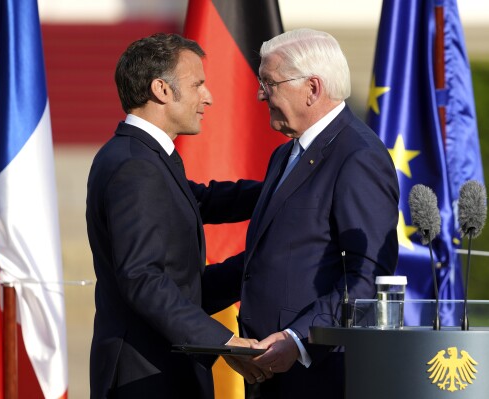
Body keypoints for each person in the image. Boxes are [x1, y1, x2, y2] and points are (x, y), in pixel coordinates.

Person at [86, 33, 263, 399]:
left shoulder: (144, 156)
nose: (208, 96)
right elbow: (142, 277)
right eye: (197, 84)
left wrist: (282, 190)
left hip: (159, 368)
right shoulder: (135, 165)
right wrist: (225, 341)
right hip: (147, 376)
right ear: (161, 89)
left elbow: (203, 201)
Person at [237, 28, 400, 398]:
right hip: (268, 369)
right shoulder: (286, 153)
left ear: (312, 88)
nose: (260, 94)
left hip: (318, 373)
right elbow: (270, 259)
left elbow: (367, 278)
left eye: (269, 82)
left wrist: (298, 339)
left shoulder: (358, 157)